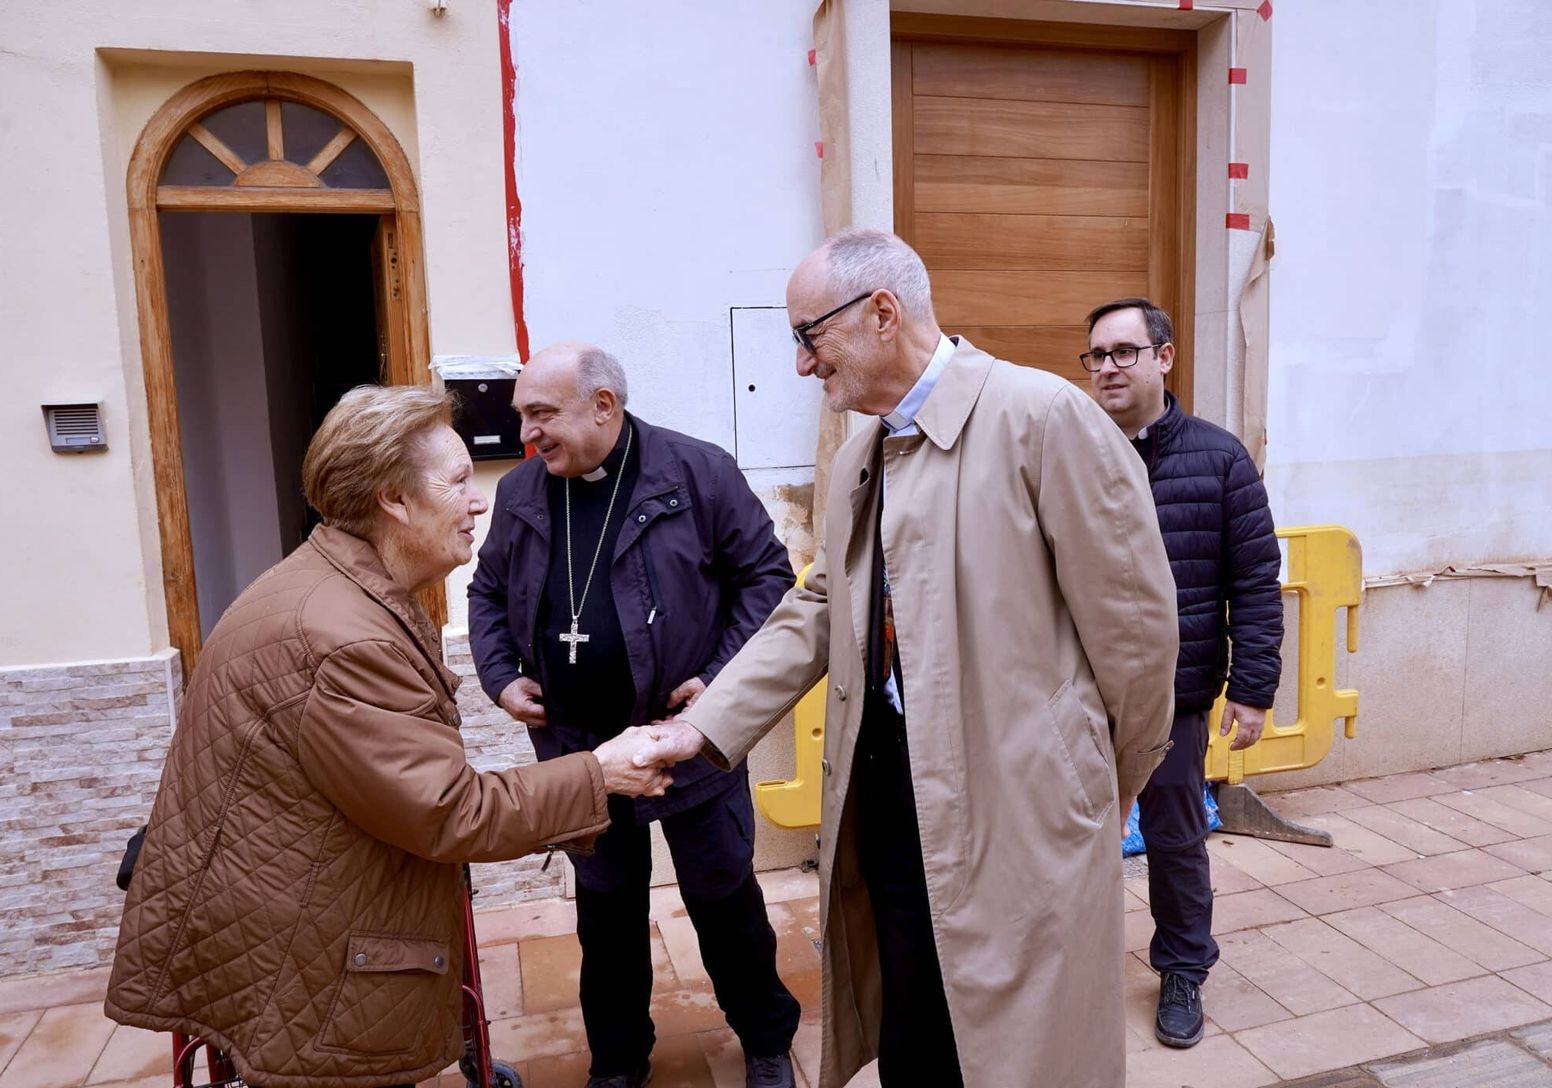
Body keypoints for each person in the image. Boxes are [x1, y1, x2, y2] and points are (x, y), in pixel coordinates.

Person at [641, 230, 1181, 1088]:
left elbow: (1136, 630)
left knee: (1023, 1043)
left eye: (807, 337)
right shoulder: (864, 450)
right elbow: (823, 604)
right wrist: (705, 725)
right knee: (917, 1018)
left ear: (881, 314)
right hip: (890, 791)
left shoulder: (1042, 417)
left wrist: (1108, 781)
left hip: (1023, 799)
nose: (801, 366)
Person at [106, 385, 670, 1088]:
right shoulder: (342, 638)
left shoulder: (337, 588)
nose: (479, 501)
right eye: (459, 481)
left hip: (278, 912)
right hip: (304, 951)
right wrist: (601, 772)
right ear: (394, 501)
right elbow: (449, 811)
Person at [466, 343, 802, 1088]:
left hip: (686, 746)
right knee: (606, 916)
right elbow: (486, 593)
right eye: (522, 415)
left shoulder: (696, 471)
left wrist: (717, 682)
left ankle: (767, 1039)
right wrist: (499, 677)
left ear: (604, 407)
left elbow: (768, 577)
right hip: (582, 755)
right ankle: (618, 1063)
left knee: (724, 904)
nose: (528, 433)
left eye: (542, 414)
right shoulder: (524, 492)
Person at [1082, 297, 1284, 1049]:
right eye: (1096, 355)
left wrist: (1254, 688)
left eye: (1123, 352)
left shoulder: (1219, 457)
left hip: (1174, 698)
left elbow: (1255, 581)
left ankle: (1182, 970)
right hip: (1075, 695)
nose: (1107, 368)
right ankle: (1072, 971)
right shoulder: (1068, 449)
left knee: (1173, 839)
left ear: (1163, 358)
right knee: (1063, 843)